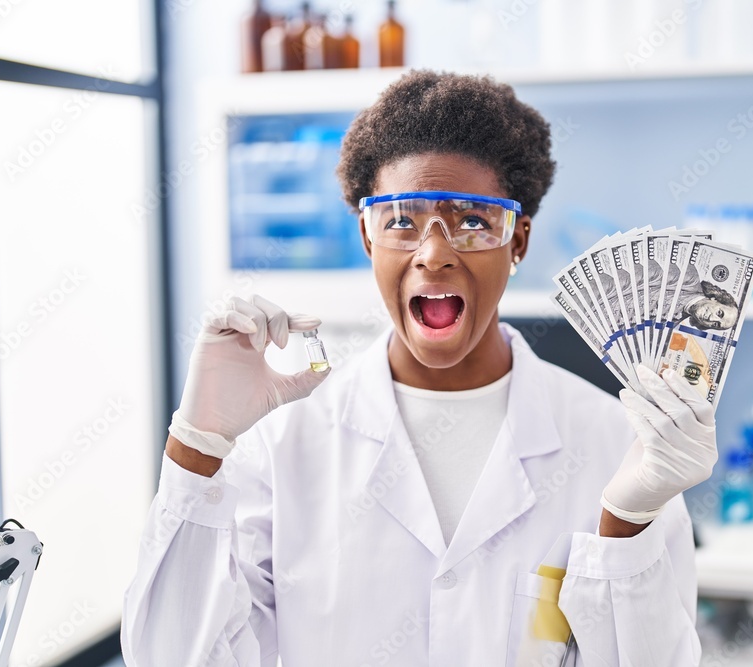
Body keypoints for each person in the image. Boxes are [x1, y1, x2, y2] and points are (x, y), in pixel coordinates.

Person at [121, 70, 717, 666]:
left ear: (518, 242)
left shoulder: (615, 444)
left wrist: (625, 528)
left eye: (473, 221)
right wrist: (197, 446)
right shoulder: (284, 445)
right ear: (366, 236)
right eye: (400, 220)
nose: (433, 253)